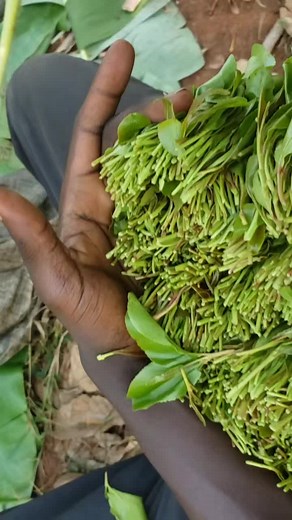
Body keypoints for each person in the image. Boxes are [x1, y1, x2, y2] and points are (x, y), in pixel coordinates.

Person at [0, 40, 291, 520]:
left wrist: (119, 357)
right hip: (211, 463)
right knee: (38, 93)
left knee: (38, 96)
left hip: (224, 468)